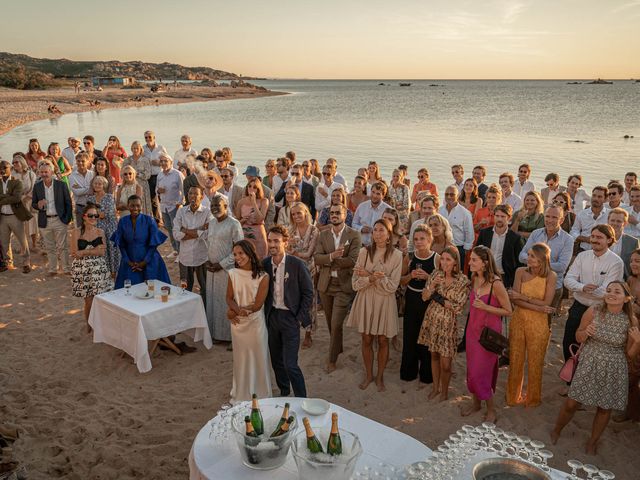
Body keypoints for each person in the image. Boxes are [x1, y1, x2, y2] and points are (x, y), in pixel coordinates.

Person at [551, 281, 640, 455]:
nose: (611, 294)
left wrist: (637, 342)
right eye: (608, 290)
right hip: (589, 362)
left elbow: (630, 355)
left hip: (615, 368)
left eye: (617, 291)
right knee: (572, 403)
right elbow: (577, 337)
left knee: (604, 408)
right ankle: (557, 430)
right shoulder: (594, 310)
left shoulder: (631, 320)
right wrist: (585, 333)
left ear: (627, 298)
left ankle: (592, 442)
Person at [347, 218, 403, 392]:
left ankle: (380, 377)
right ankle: (369, 375)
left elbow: (392, 286)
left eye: (381, 230)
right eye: (375, 230)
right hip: (366, 299)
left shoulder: (397, 255)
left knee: (383, 340)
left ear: (389, 235)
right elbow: (355, 283)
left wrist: (369, 275)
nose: (377, 234)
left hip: (384, 302)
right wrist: (372, 278)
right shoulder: (364, 253)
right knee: (366, 338)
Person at [563, 225, 624, 379]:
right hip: (578, 306)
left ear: (609, 240)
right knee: (568, 342)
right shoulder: (582, 256)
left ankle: (587, 381)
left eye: (599, 237)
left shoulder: (616, 262)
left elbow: (607, 291)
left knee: (592, 347)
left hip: (601, 310)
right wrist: (582, 287)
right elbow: (567, 280)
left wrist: (583, 288)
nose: (594, 240)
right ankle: (571, 381)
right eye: (593, 236)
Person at [462, 245, 513, 422]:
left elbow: (508, 310)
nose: (470, 262)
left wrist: (486, 307)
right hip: (472, 331)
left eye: (474, 260)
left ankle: (491, 409)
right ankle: (476, 404)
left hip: (489, 333)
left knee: (481, 372)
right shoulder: (474, 277)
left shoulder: (496, 283)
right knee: (471, 370)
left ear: (484, 263)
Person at [263, 225, 314, 397]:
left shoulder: (297, 265)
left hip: (290, 318)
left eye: (276, 241)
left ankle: (301, 398)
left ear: (285, 242)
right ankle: (284, 391)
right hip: (272, 317)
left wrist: (298, 318)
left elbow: (309, 293)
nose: (272, 245)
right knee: (276, 361)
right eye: (269, 241)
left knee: (290, 364)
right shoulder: (265, 264)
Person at [506, 243, 557, 407]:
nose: (528, 258)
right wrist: (538, 307)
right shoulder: (520, 272)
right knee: (515, 359)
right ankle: (512, 397)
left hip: (539, 324)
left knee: (536, 362)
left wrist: (524, 297)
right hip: (519, 320)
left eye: (532, 256)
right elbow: (514, 299)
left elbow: (547, 302)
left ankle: (533, 399)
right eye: (528, 255)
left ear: (543, 259)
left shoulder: (551, 276)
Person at [314, 204, 362, 372]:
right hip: (325, 285)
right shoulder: (323, 234)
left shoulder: (354, 235)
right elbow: (317, 258)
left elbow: (353, 260)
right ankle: (338, 347)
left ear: (345, 214)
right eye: (332, 213)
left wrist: (329, 260)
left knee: (335, 324)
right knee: (329, 323)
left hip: (343, 286)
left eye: (337, 213)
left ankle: (332, 359)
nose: (334, 215)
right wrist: (333, 256)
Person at [418, 245, 469, 400]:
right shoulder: (435, 274)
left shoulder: (462, 280)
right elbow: (424, 297)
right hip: (432, 319)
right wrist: (432, 286)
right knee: (433, 355)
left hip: (448, 324)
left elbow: (458, 307)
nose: (444, 263)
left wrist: (438, 298)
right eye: (442, 259)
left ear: (455, 262)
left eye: (448, 260)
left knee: (446, 363)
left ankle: (445, 392)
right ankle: (436, 388)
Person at [226, 240, 272, 402]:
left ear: (250, 254)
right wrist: (236, 311)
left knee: (259, 358)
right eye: (235, 254)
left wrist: (236, 312)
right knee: (241, 360)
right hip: (238, 326)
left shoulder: (263, 277)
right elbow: (229, 298)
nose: (238, 257)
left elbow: (258, 305)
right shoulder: (232, 274)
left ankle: (261, 394)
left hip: (255, 325)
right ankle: (242, 393)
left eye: (241, 253)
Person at [519, 205, 574, 317]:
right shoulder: (536, 233)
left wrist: (536, 263)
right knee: (525, 317)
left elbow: (562, 266)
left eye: (554, 217)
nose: (549, 220)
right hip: (531, 283)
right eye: (547, 216)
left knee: (544, 322)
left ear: (562, 220)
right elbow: (522, 256)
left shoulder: (568, 239)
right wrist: (536, 262)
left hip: (552, 287)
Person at [401, 225, 439, 384]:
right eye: (415, 239)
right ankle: (409, 372)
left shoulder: (437, 258)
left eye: (422, 239)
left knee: (426, 337)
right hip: (411, 298)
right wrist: (411, 275)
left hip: (428, 301)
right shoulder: (409, 257)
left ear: (430, 240)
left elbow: (442, 284)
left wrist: (427, 277)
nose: (418, 242)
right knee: (410, 336)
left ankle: (426, 375)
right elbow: (401, 281)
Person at [111, 195, 171, 288]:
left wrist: (144, 262)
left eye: (138, 205)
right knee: (129, 292)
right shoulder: (122, 221)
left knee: (153, 291)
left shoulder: (149, 220)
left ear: (141, 206)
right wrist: (128, 261)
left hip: (150, 260)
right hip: (130, 262)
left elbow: (153, 245)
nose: (135, 208)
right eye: (132, 205)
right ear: (128, 206)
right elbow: (121, 244)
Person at [207, 196, 244, 343]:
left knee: (226, 302)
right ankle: (216, 335)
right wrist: (209, 261)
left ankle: (231, 338)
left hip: (227, 270)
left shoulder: (234, 224)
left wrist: (221, 264)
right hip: (212, 269)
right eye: (212, 205)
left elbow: (239, 250)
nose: (214, 207)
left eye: (218, 205)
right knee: (213, 302)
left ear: (226, 205)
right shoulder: (211, 223)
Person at [70, 204, 113, 329]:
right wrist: (93, 249)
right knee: (88, 299)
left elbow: (102, 252)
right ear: (84, 217)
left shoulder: (100, 232)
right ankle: (89, 324)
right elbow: (74, 253)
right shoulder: (76, 232)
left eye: (96, 215)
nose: (93, 218)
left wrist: (84, 251)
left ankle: (101, 323)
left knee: (100, 297)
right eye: (90, 215)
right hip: (81, 269)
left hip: (98, 268)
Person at [32, 161, 72, 276]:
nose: (44, 174)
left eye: (46, 172)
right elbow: (34, 204)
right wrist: (38, 205)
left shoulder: (61, 185)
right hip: (45, 220)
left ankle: (66, 268)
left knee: (62, 246)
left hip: (59, 219)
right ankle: (53, 269)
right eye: (42, 172)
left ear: (51, 172)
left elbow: (68, 203)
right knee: (50, 247)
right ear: (39, 173)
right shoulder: (37, 186)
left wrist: (67, 219)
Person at [174, 186, 213, 306]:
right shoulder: (181, 211)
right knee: (185, 288)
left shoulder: (207, 211)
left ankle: (206, 313)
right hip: (185, 257)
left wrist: (185, 230)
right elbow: (176, 234)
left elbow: (208, 233)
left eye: (196, 194)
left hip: (202, 256)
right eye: (190, 193)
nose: (192, 196)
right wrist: (198, 230)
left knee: (205, 288)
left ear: (202, 196)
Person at [288, 202, 320, 348]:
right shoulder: (290, 230)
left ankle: (308, 333)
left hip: (309, 271)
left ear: (306, 212)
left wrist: (295, 253)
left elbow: (308, 254)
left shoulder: (314, 230)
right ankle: (294, 330)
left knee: (309, 301)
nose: (296, 216)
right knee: (293, 300)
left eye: (298, 213)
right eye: (293, 214)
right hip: (293, 270)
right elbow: (286, 250)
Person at [476, 204, 523, 289]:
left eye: (503, 216)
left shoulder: (515, 238)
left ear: (509, 218)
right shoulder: (484, 233)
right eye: (497, 216)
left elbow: (519, 262)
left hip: (505, 277)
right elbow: (477, 254)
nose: (499, 219)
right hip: (485, 274)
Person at [0, 160, 33, 273]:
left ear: (10, 169)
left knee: (22, 240)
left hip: (15, 216)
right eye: (1, 168)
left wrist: (2, 198)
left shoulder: (17, 182)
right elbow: (12, 197)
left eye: (5, 167)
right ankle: (8, 262)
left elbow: (17, 198)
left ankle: (26, 262)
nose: (2, 170)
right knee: (4, 242)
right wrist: (8, 196)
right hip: (2, 217)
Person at [87, 176, 120, 275]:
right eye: (95, 183)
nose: (97, 185)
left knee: (111, 248)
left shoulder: (109, 197)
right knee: (100, 249)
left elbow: (106, 214)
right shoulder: (90, 198)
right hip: (96, 229)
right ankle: (103, 271)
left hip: (109, 227)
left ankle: (114, 271)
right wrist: (96, 214)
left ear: (104, 185)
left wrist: (95, 213)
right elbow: (89, 215)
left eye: (99, 183)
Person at [439, 185, 474, 269]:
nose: (449, 196)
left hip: (458, 248)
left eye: (452, 194)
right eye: (446, 194)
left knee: (456, 274)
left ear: (458, 196)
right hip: (441, 247)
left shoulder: (465, 213)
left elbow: (469, 232)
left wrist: (464, 251)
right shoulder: (439, 210)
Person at [156, 154, 184, 257]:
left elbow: (183, 189)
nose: (163, 163)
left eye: (165, 161)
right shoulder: (160, 175)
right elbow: (156, 189)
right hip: (164, 206)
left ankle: (181, 251)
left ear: (171, 162)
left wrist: (180, 203)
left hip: (174, 206)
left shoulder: (177, 174)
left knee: (176, 229)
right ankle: (175, 249)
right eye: (161, 161)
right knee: (169, 228)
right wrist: (158, 191)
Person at [11, 154, 38, 252]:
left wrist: (28, 196)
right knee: (20, 225)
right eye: (13, 162)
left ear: (22, 162)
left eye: (16, 162)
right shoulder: (12, 175)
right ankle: (23, 246)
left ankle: (34, 245)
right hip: (18, 202)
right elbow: (10, 190)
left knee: (33, 224)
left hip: (30, 201)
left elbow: (35, 187)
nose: (14, 164)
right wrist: (20, 197)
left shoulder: (31, 174)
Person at [235, 179, 269, 259]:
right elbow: (236, 222)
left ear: (258, 189)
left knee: (260, 257)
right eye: (249, 186)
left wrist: (254, 203)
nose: (251, 189)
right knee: (246, 256)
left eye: (254, 187)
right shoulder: (241, 202)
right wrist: (242, 221)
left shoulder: (264, 201)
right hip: (245, 233)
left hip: (258, 233)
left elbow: (260, 219)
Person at [570, 186, 609, 252]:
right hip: (583, 249)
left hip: (603, 250)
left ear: (605, 199)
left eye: (599, 197)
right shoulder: (582, 214)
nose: (595, 199)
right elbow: (574, 231)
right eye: (594, 195)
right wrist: (585, 239)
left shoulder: (610, 214)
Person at [353, 182, 391, 246]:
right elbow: (354, 223)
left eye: (378, 194)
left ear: (383, 196)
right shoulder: (362, 206)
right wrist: (361, 228)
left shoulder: (388, 210)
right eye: (373, 192)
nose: (374, 196)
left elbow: (390, 229)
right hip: (361, 244)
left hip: (379, 245)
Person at [122, 141, 153, 216]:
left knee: (143, 206)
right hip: (130, 186)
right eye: (133, 148)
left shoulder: (145, 160)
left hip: (143, 186)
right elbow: (122, 173)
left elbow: (148, 175)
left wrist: (136, 174)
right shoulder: (127, 160)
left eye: (137, 148)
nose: (135, 150)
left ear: (140, 149)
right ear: (131, 149)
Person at [607, 208, 640, 278]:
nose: (615, 223)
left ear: (625, 223)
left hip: (624, 280)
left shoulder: (633, 242)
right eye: (612, 220)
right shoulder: (600, 239)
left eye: (619, 221)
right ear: (608, 221)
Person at [143, 130, 167, 222]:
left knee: (162, 197)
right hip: (149, 176)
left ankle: (165, 219)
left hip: (160, 175)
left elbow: (168, 160)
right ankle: (157, 220)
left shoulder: (161, 148)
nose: (148, 139)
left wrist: (159, 162)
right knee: (152, 198)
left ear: (154, 137)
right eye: (146, 137)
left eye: (149, 137)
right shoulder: (143, 149)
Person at [243, 166, 276, 230]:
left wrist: (265, 228)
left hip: (263, 225)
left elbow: (271, 212)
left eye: (251, 176)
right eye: (247, 175)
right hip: (247, 225)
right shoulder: (245, 189)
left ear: (257, 177)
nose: (249, 177)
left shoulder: (268, 191)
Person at [69, 153, 95, 228]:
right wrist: (90, 187)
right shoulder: (72, 176)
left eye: (83, 161)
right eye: (78, 161)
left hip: (92, 206)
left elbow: (95, 189)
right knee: (81, 229)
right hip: (80, 207)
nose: (80, 163)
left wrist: (82, 188)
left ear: (88, 161)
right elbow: (77, 192)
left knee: (93, 228)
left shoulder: (93, 174)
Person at [388, 168, 410, 233]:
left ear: (401, 177)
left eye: (397, 176)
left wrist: (395, 205)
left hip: (403, 218)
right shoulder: (390, 188)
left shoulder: (405, 188)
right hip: (392, 217)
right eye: (394, 176)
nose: (395, 178)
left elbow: (407, 205)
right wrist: (398, 204)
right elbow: (388, 203)